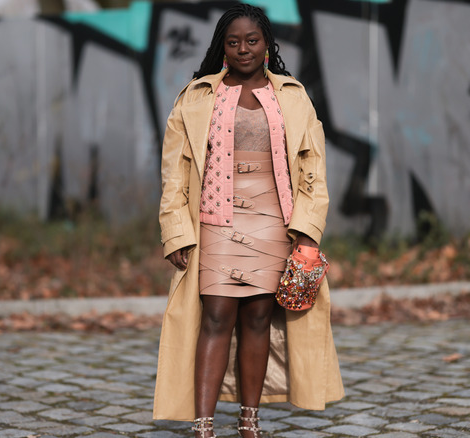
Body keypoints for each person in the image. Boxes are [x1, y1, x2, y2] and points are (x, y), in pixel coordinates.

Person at [153, 5, 344, 437]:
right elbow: (174, 172)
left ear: (267, 45)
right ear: (222, 47)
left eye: (252, 41)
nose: (243, 49)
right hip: (215, 219)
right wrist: (176, 233)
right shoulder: (196, 97)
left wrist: (308, 232)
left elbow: (314, 170)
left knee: (258, 320)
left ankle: (249, 421)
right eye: (234, 41)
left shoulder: (293, 96)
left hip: (275, 221)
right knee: (216, 316)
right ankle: (203, 425)